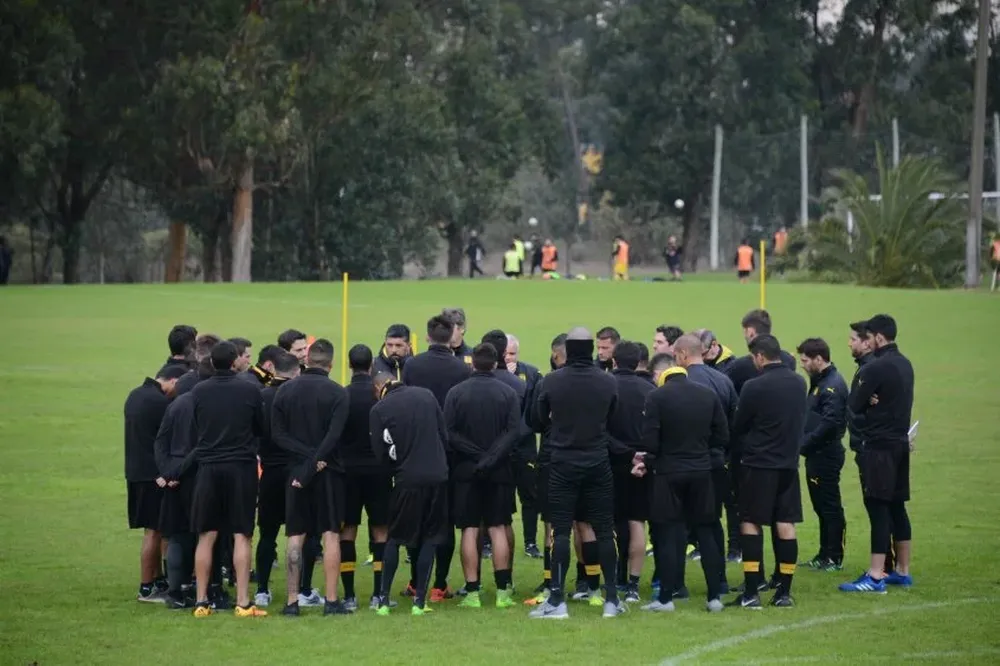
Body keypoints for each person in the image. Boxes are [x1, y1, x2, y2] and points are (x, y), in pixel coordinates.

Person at [528, 327, 625, 619]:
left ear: (568, 350)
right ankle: (611, 598)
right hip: (597, 461)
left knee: (560, 531)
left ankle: (557, 599)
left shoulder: (552, 381)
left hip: (562, 462)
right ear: (592, 349)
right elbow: (614, 418)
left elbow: (536, 419)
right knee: (605, 530)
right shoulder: (607, 381)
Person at [635, 352, 728, 613]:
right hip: (701, 472)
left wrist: (650, 461)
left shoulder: (656, 397)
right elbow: (722, 434)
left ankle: (666, 597)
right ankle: (714, 596)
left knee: (668, 534)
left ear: (659, 374)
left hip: (668, 474)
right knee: (708, 531)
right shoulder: (707, 394)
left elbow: (650, 442)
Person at [269, 339, 351, 616]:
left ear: (305, 362)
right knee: (330, 535)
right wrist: (315, 460)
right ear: (331, 363)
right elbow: (334, 436)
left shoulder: (285, 391)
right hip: (329, 473)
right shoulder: (338, 393)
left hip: (294, 473)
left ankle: (292, 602)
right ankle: (331, 600)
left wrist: (304, 462)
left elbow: (278, 435)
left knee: (295, 535)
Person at [188, 340, 267, 618]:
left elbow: (196, 425)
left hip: (209, 467)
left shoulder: (199, 391)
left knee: (206, 535)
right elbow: (260, 427)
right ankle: (244, 602)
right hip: (241, 467)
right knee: (242, 534)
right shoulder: (250, 389)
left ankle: (201, 601)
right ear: (234, 361)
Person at [729, 335, 807, 609]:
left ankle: (752, 592)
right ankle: (783, 593)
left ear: (760, 356)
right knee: (785, 524)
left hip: (758, 464)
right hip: (788, 465)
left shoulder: (753, 386)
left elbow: (739, 425)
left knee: (750, 522)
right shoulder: (800, 383)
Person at [840, 315, 915, 594]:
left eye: (869, 336)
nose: (867, 341)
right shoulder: (906, 364)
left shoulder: (875, 369)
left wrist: (869, 398)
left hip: (878, 447)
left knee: (878, 508)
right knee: (897, 506)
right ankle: (903, 571)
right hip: (900, 443)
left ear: (879, 338)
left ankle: (874, 575)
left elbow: (855, 405)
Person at [445, 344, 521, 609]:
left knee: (469, 529)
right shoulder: (508, 393)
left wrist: (476, 455)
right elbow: (513, 432)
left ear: (472, 364)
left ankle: (473, 592)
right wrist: (490, 457)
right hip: (499, 469)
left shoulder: (456, 393)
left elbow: (450, 433)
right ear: (496, 363)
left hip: (467, 470)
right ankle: (502, 592)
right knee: (498, 526)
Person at [401, 314, 471, 600]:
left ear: (428, 336)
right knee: (443, 520)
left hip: (416, 450)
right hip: (449, 453)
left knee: (417, 518)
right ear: (452, 334)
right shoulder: (461, 369)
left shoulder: (411, 365)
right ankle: (440, 583)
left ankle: (416, 581)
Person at [370, 372, 451, 616]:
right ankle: (419, 603)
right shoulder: (426, 395)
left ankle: (383, 600)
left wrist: (396, 469)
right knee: (430, 538)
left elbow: (380, 455)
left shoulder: (380, 409)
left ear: (379, 387)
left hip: (407, 479)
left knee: (395, 537)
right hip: (438, 476)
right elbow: (443, 436)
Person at [156, 354, 220, 610]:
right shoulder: (206, 405)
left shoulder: (176, 403)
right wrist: (176, 472)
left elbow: (160, 441)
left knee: (177, 535)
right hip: (197, 476)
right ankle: (203, 588)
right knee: (205, 534)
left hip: (174, 475)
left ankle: (175, 592)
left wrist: (167, 472)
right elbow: (202, 446)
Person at [673, 334, 736, 587]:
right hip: (716, 461)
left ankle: (674, 584)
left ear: (683, 355)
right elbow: (732, 423)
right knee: (711, 523)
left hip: (684, 462)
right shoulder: (724, 380)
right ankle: (719, 581)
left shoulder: (682, 382)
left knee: (678, 524)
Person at [124, 364, 187, 603]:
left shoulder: (136, 394)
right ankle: (147, 587)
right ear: (173, 380)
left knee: (155, 530)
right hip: (154, 475)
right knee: (154, 531)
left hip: (136, 471)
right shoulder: (160, 403)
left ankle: (159, 580)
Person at [338, 344, 393, 610]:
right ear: (371, 366)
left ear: (350, 365)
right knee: (380, 530)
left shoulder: (342, 395)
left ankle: (348, 596)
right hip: (378, 472)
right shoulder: (379, 396)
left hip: (347, 473)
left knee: (347, 530)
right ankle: (378, 595)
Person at [606, 341, 656, 603]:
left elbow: (600, 430)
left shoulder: (605, 386)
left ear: (614, 360)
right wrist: (642, 458)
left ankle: (615, 579)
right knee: (637, 521)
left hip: (611, 463)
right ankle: (634, 585)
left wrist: (626, 453)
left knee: (612, 522)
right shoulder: (650, 390)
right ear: (639, 362)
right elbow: (655, 431)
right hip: (642, 467)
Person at [253, 351, 301, 608]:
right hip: (295, 471)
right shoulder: (298, 397)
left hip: (269, 471)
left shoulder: (261, 396)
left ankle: (261, 589)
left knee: (267, 534)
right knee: (301, 533)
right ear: (296, 372)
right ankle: (303, 590)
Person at [523, 333, 568, 606]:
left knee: (552, 524)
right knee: (585, 525)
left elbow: (534, 421)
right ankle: (592, 584)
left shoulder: (547, 383)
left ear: (555, 354)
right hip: (589, 460)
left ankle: (552, 582)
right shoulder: (598, 380)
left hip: (553, 459)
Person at [796, 338, 848, 571]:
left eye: (805, 360)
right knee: (820, 507)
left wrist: (803, 444)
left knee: (829, 506)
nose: (803, 365)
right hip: (816, 455)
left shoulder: (831, 386)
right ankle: (823, 554)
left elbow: (829, 424)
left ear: (819, 359)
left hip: (825, 455)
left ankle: (834, 557)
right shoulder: (820, 381)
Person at [505, 334, 543, 557]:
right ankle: (491, 543)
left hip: (525, 446)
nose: (508, 358)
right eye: (505, 353)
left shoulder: (531, 373)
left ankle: (530, 542)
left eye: (512, 353)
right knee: (502, 497)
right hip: (502, 448)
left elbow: (536, 409)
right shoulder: (493, 376)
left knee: (530, 497)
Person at [725, 310, 796, 395]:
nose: (744, 336)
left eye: (745, 331)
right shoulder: (789, 360)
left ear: (751, 332)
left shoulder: (738, 367)